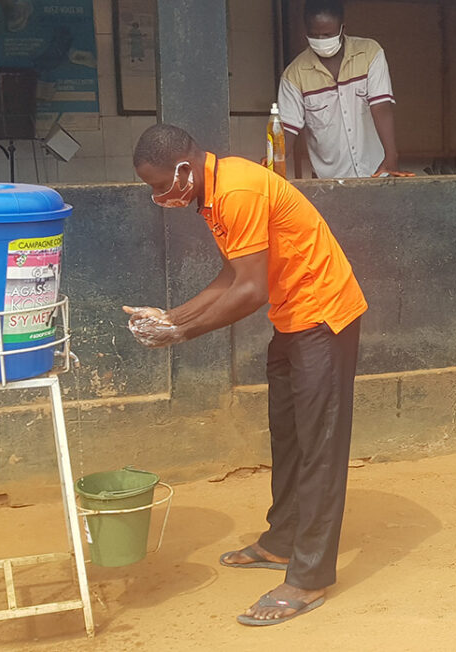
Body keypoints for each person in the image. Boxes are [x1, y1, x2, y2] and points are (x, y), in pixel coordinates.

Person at [125, 124, 367, 625]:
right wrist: (172, 317)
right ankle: (282, 542)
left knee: (319, 445)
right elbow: (232, 276)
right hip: (293, 318)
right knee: (289, 435)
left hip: (324, 317)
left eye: (159, 186)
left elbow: (250, 290)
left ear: (184, 170)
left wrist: (182, 333)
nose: (158, 197)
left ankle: (308, 577)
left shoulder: (235, 190)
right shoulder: (213, 196)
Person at [278, 0, 406, 179]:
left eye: (327, 34)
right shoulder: (293, 76)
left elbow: (381, 107)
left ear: (342, 29)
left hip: (377, 172)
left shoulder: (370, 54)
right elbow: (287, 129)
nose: (321, 40)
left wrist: (391, 155)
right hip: (329, 182)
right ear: (306, 32)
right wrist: (275, 158)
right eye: (315, 35)